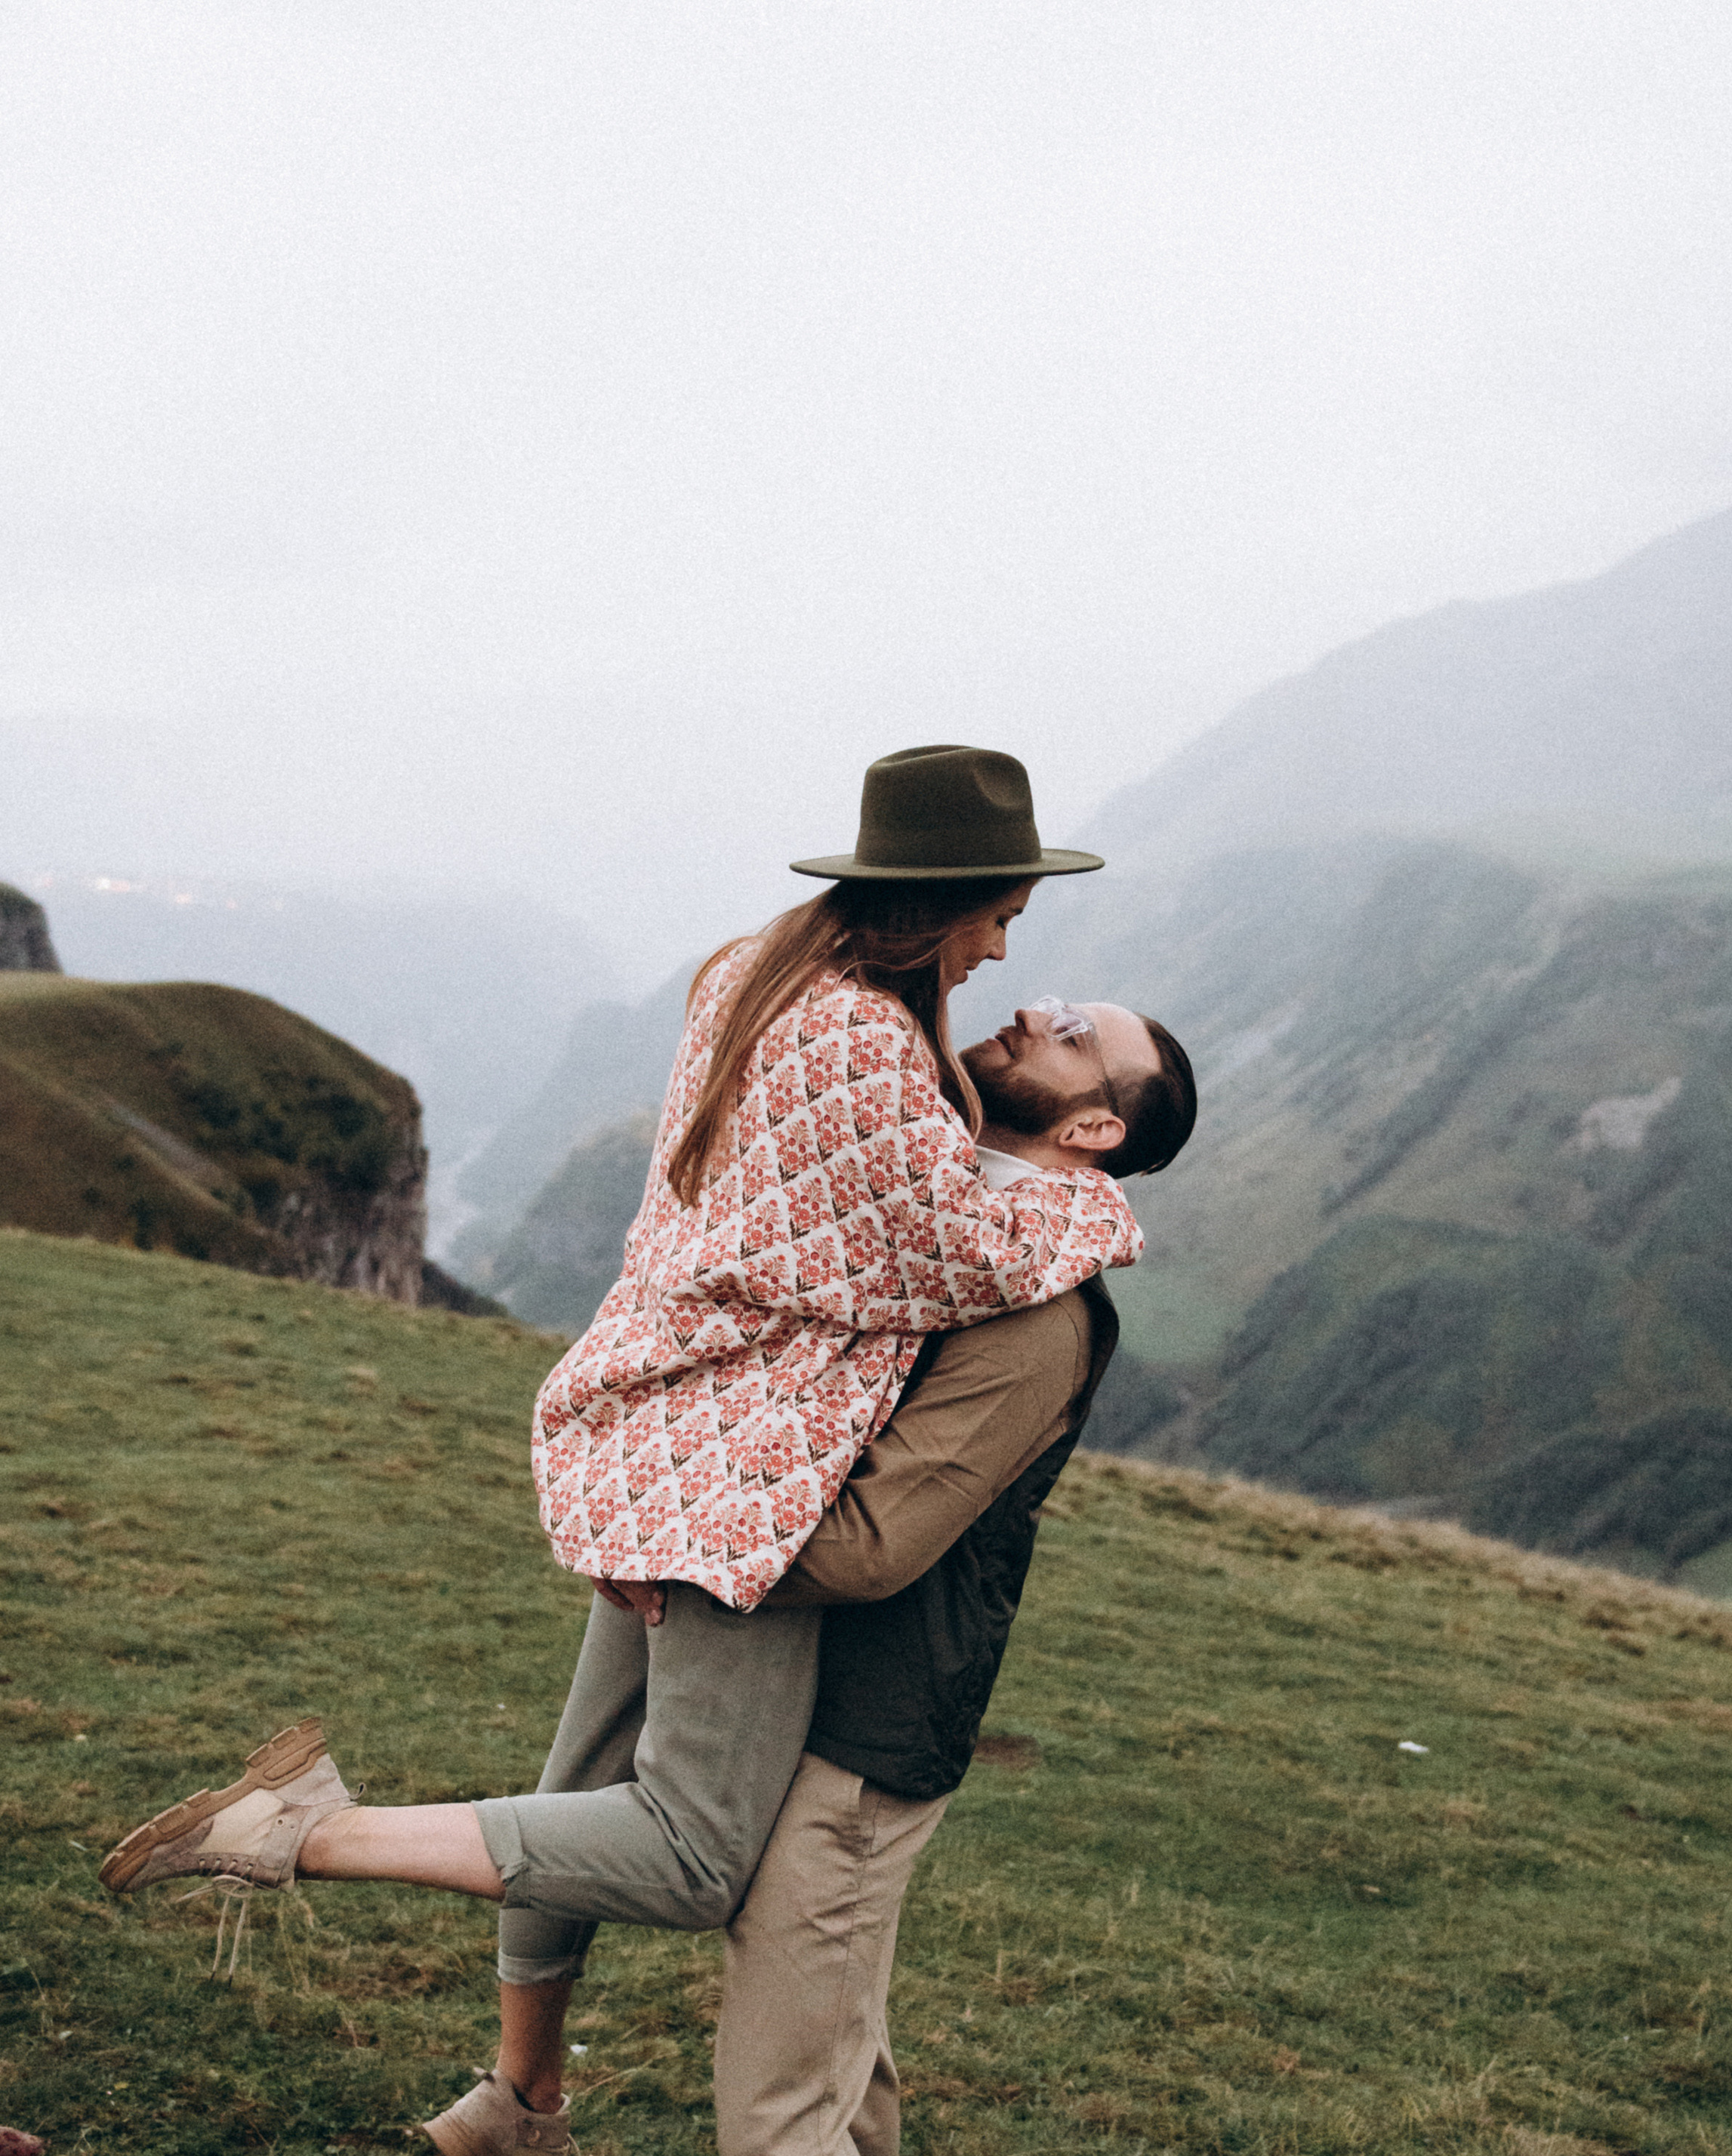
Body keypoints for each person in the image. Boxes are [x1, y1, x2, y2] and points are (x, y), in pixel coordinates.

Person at [97, 744, 1138, 1999]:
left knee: (579, 1789)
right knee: (693, 1853)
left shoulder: (760, 974)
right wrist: (1107, 1216)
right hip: (744, 1471)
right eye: (1002, 917)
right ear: (949, 897)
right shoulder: (860, 1042)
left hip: (661, 1430)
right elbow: (949, 1255)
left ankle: (521, 2099)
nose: (1006, 957)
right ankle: (300, 1829)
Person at [646, 993, 1197, 2156]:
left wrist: (668, 1490)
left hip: (868, 1738)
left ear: (1091, 1125)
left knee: (778, 2124)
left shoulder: (1038, 1309)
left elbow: (878, 1543)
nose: (1026, 1008)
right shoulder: (964, 1233)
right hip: (828, 1717)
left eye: (1071, 1034)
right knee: (836, 2050)